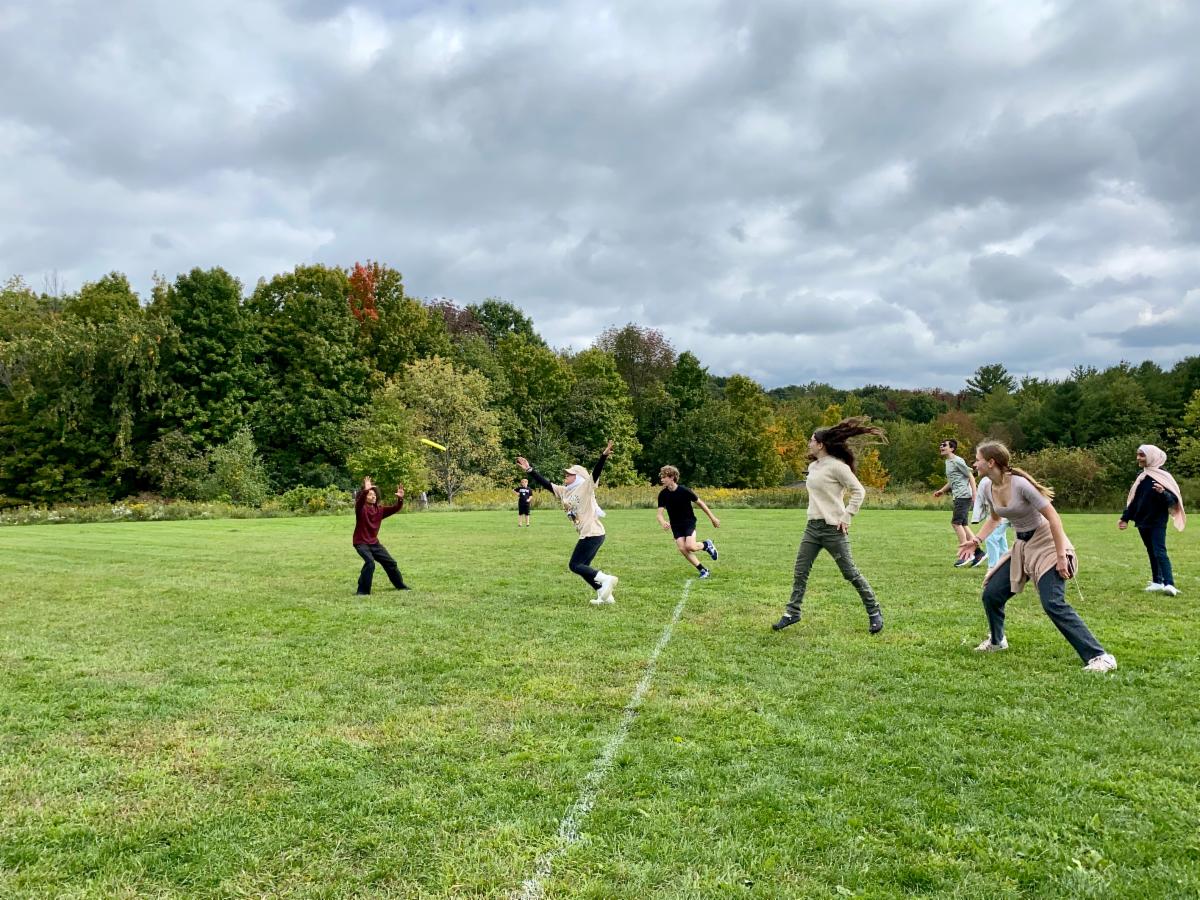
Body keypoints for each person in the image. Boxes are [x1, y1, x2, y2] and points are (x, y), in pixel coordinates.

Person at [962, 441, 1117, 672]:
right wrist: (976, 540)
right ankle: (997, 641)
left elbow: (1054, 518)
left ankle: (1100, 656)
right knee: (992, 594)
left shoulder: (1020, 484)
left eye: (977, 459)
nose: (974, 464)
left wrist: (1061, 556)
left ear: (991, 462)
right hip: (1023, 545)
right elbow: (995, 518)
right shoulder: (988, 487)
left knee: (1052, 602)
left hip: (1047, 544)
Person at [772, 417, 886, 635]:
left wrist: (847, 516)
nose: (809, 443)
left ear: (821, 444)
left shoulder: (838, 467)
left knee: (850, 573)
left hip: (833, 529)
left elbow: (859, 491)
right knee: (800, 571)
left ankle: (874, 611)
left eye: (811, 440)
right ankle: (792, 612)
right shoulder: (813, 466)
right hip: (812, 527)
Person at [517, 441, 618, 605]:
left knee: (574, 565)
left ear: (578, 477)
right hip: (589, 533)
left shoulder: (586, 487)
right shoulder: (564, 491)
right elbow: (546, 483)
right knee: (583, 567)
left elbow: (596, 472)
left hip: (593, 533)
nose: (566, 475)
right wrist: (529, 469)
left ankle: (605, 579)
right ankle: (605, 595)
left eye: (569, 474)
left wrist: (603, 456)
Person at [1119, 444, 1186, 597]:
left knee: (1159, 551)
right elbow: (1135, 501)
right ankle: (1157, 582)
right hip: (1142, 521)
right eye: (1138, 454)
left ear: (1152, 456)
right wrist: (1125, 518)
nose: (1138, 458)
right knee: (1151, 551)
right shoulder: (1142, 477)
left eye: (1142, 455)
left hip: (1157, 521)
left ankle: (1169, 584)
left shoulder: (1164, 477)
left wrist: (1163, 493)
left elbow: (1173, 500)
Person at [656, 465, 720, 578]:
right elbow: (659, 514)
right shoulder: (663, 494)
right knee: (682, 548)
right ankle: (703, 570)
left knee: (690, 546)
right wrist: (663, 522)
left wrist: (713, 518)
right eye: (661, 477)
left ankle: (706, 545)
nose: (662, 479)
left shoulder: (684, 491)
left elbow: (701, 503)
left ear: (672, 477)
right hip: (676, 525)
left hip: (688, 522)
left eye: (664, 477)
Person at [352, 476, 409, 595]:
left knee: (391, 563)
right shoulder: (361, 509)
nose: (373, 496)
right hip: (361, 542)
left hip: (374, 543)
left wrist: (400, 499)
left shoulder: (379, 510)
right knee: (370, 563)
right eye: (370, 494)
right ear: (364, 496)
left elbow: (395, 508)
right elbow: (360, 501)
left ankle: (400, 586)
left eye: (374, 494)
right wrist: (366, 490)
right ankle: (362, 591)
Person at [933, 439, 984, 568]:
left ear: (952, 448)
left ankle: (965, 554)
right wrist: (942, 491)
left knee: (956, 523)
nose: (941, 447)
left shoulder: (957, 461)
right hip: (958, 496)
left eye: (944, 445)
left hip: (963, 495)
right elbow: (952, 480)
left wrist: (975, 494)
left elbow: (970, 476)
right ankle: (978, 553)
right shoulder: (948, 462)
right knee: (963, 525)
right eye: (941, 445)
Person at [971, 476, 1010, 569]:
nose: (976, 468)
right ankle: (1005, 565)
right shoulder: (985, 480)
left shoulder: (999, 479)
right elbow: (980, 499)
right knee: (1000, 540)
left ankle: (993, 567)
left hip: (1003, 515)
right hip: (996, 516)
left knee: (991, 539)